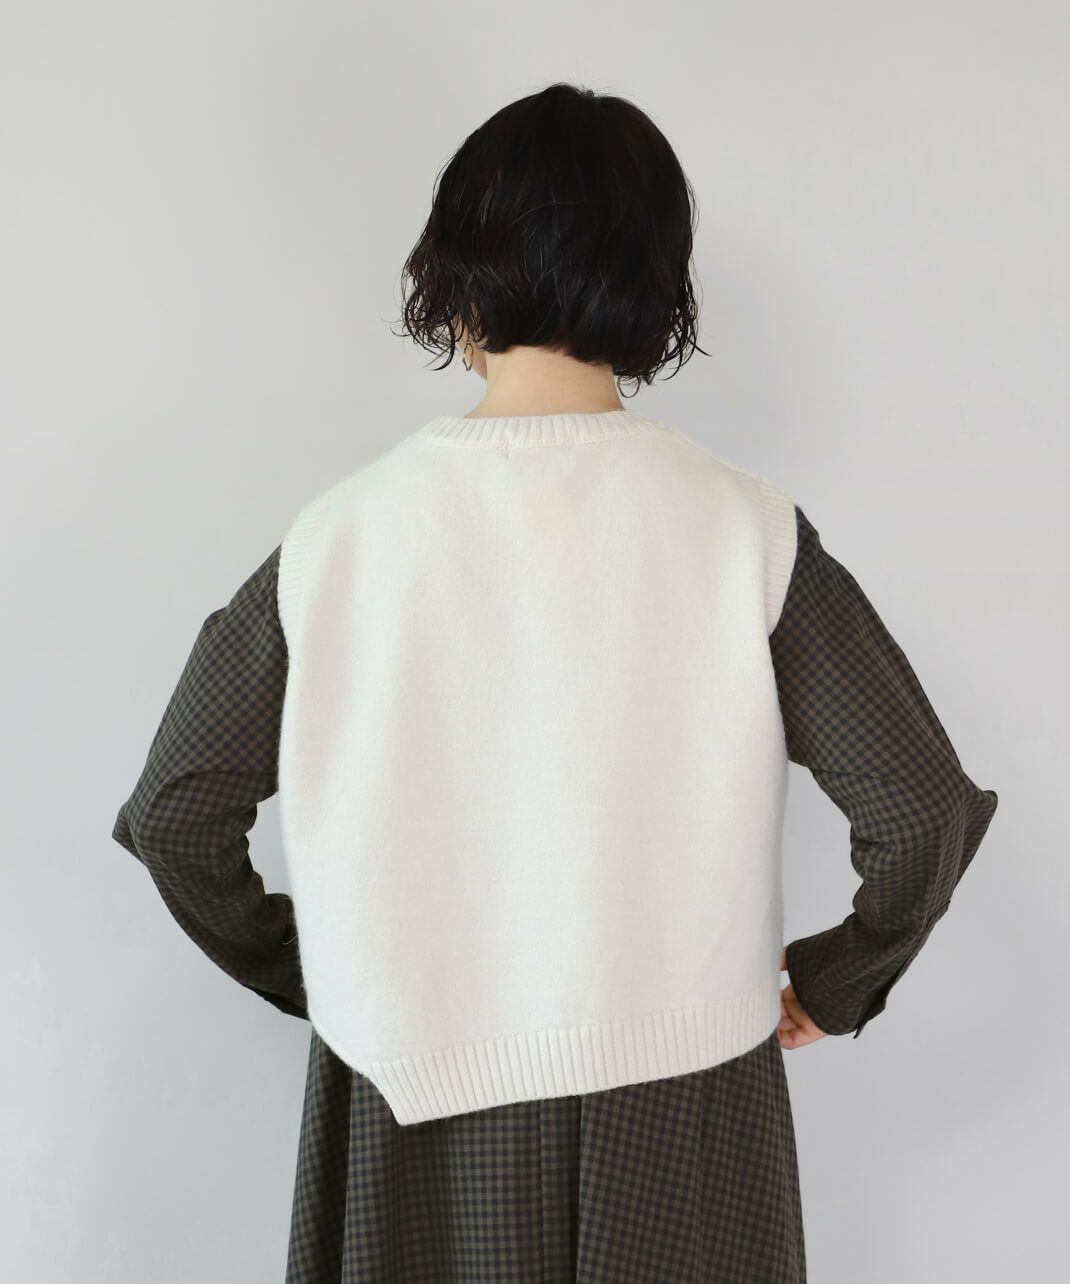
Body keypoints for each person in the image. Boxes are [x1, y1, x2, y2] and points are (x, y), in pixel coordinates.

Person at [111, 81, 998, 1282]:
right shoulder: (745, 530)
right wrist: (836, 982)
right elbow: (921, 811)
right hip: (686, 1104)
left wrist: (330, 973)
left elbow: (177, 815)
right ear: (654, 285)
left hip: (407, 1094)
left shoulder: (337, 541)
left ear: (456, 274)